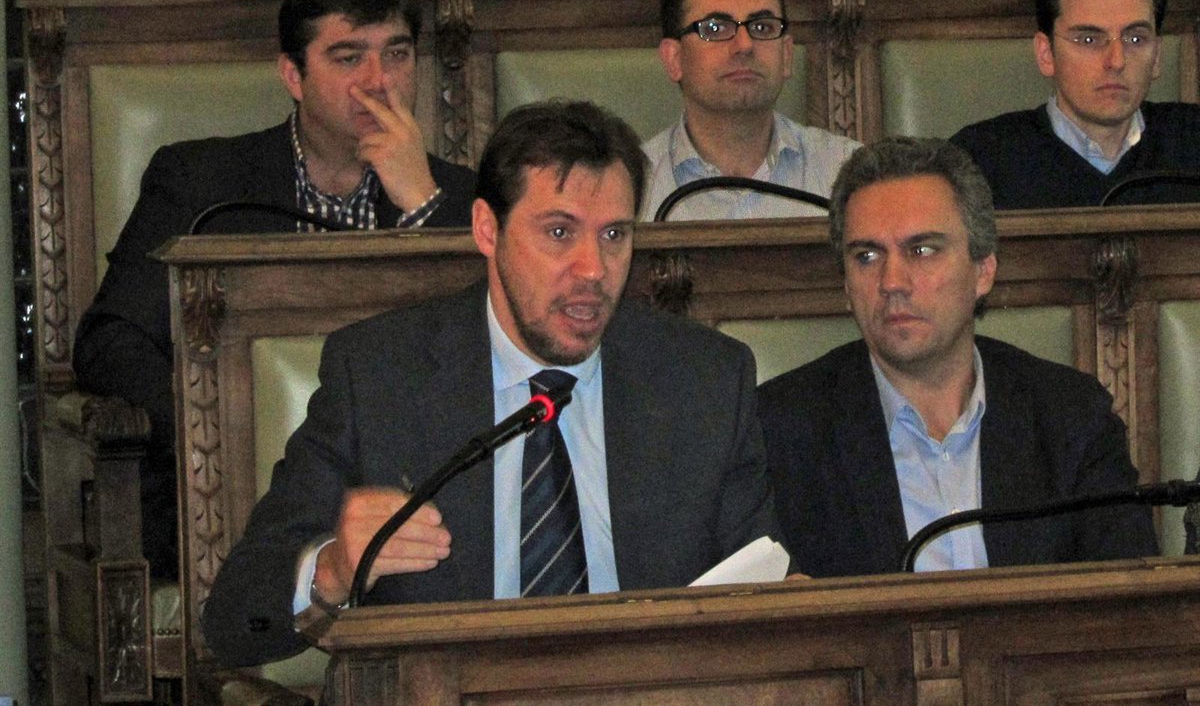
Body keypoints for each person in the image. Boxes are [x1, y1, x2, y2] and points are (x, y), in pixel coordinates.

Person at [201, 99, 777, 667]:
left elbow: (764, 592)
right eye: (559, 232)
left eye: (613, 235)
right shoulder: (379, 376)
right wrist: (332, 570)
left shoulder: (703, 381)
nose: (593, 269)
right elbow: (233, 623)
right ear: (486, 229)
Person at [73, 0, 477, 577]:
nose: (379, 82)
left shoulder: (463, 198)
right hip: (236, 496)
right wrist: (221, 422)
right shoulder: (200, 182)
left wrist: (422, 203)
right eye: (348, 58)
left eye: (397, 54)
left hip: (412, 498)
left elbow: (486, 352)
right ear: (293, 74)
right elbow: (110, 343)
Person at [757, 137, 1157, 577]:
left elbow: (1130, 600)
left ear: (983, 271)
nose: (892, 282)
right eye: (867, 256)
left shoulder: (1071, 417)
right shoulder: (781, 430)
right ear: (846, 285)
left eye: (922, 250)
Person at [950, 0, 1200, 208]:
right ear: (1046, 54)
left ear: (1157, 55)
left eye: (1135, 39)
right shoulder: (979, 162)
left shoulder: (1192, 141)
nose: (1116, 61)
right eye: (1089, 39)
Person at [640, 0, 860, 221]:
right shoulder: (634, 185)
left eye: (762, 27)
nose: (744, 45)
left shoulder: (848, 172)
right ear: (674, 59)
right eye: (715, 28)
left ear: (786, 55)